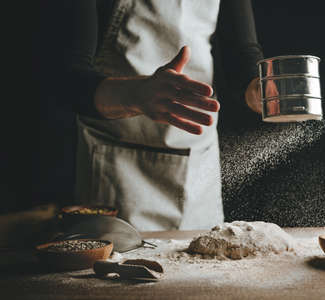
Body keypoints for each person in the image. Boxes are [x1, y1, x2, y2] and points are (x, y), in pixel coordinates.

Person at [62, 0, 264, 231]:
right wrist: (136, 95)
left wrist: (257, 88)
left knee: (203, 263)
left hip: (197, 163)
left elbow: (241, 53)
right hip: (117, 168)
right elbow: (70, 82)